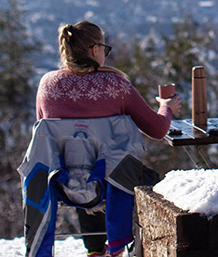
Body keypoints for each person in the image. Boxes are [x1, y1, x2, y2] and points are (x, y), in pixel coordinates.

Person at [36, 21, 181, 257]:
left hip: (62, 184)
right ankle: (129, 246)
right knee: (122, 173)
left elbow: (47, 138)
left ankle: (95, 250)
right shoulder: (116, 85)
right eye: (105, 48)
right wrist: (167, 108)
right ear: (95, 49)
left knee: (80, 166)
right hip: (114, 185)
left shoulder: (48, 86)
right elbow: (157, 130)